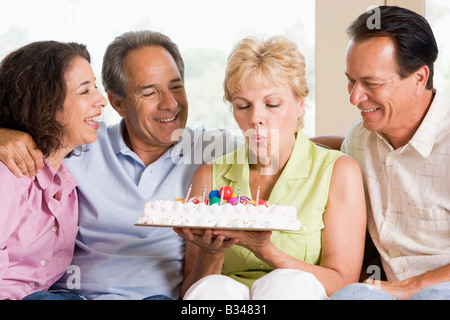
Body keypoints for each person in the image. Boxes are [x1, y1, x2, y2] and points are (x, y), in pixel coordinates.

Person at [0, 31, 240, 299]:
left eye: (176, 87)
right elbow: (28, 108)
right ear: (118, 102)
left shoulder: (216, 150)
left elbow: (274, 142)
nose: (170, 104)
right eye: (150, 92)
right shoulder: (79, 144)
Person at [174, 35, 367, 300]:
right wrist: (212, 253)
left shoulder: (338, 172)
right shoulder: (210, 175)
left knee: (285, 284)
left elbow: (343, 283)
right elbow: (191, 292)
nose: (256, 119)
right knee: (213, 288)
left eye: (272, 104)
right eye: (243, 106)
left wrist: (265, 249)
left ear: (300, 105)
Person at [328, 6, 450, 300]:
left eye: (371, 83)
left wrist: (413, 286)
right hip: (385, 291)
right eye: (351, 80)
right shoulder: (359, 140)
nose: (355, 97)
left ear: (419, 78)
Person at [0, 41, 106, 300]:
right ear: (45, 102)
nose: (101, 100)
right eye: (84, 91)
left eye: (96, 88)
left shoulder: (66, 187)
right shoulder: (9, 175)